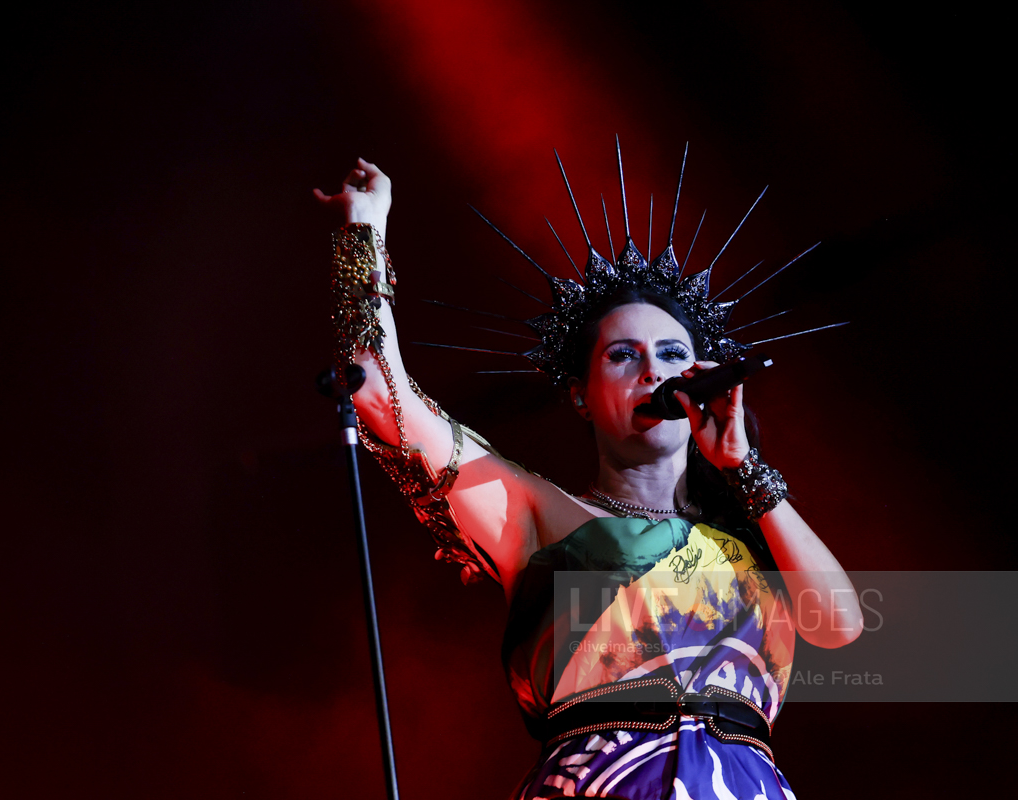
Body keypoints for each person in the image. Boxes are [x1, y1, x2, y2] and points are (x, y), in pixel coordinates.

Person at [317, 157, 862, 799]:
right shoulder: (539, 514)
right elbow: (377, 390)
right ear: (580, 394)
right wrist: (364, 230)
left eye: (673, 354)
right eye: (623, 355)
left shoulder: (751, 536)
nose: (652, 372)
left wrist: (745, 472)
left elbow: (838, 625)